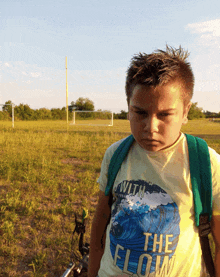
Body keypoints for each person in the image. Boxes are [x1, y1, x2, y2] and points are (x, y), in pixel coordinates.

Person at [88, 46, 220, 277]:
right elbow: (101, 222)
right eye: (140, 113)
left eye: (165, 115)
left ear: (185, 112)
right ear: (128, 107)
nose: (151, 127)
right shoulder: (116, 154)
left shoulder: (206, 163)